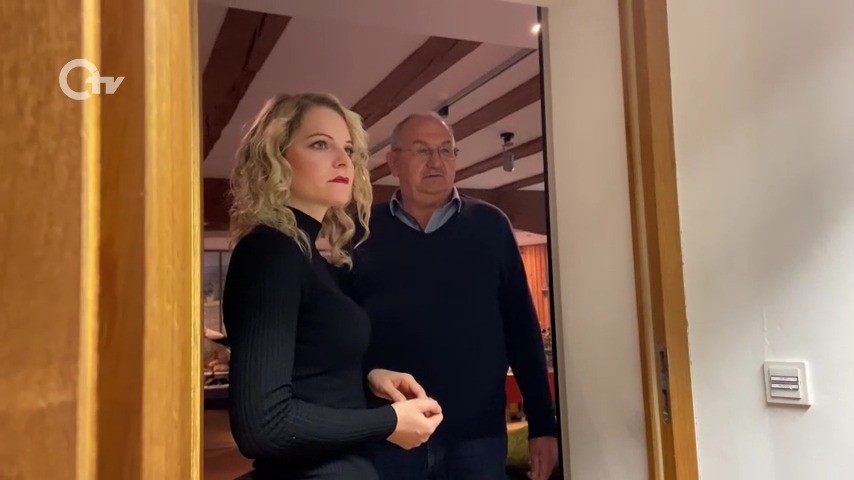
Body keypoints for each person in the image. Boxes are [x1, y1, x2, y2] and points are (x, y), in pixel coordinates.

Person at [223, 94, 443, 480]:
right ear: (275, 157)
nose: (343, 161)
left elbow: (308, 375)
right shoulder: (269, 252)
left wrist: (367, 380)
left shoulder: (309, 256)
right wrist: (388, 422)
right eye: (320, 144)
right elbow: (263, 426)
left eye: (349, 149)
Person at [348, 113, 559, 480]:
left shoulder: (491, 226)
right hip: (390, 435)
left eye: (446, 150)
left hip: (477, 438)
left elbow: (522, 329)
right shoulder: (361, 231)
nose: (437, 161)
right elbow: (342, 337)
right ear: (393, 162)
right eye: (422, 150)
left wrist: (542, 423)